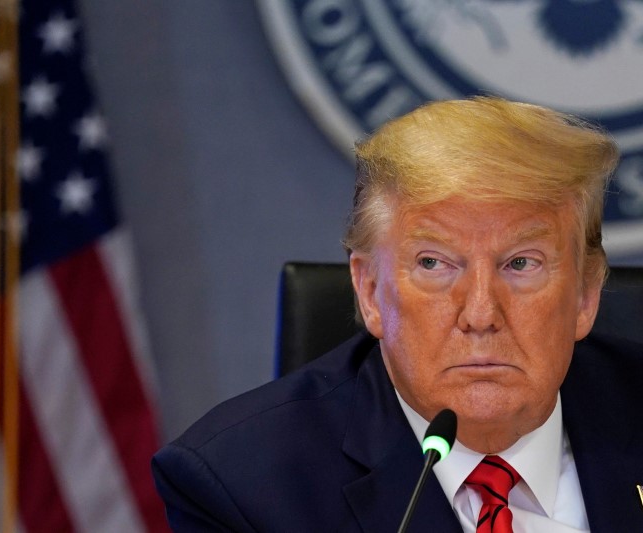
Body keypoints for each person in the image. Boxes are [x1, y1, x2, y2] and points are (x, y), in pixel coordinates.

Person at [151, 97, 643, 531]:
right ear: (369, 292)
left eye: (520, 264)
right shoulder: (245, 488)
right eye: (433, 263)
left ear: (584, 295)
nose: (479, 313)